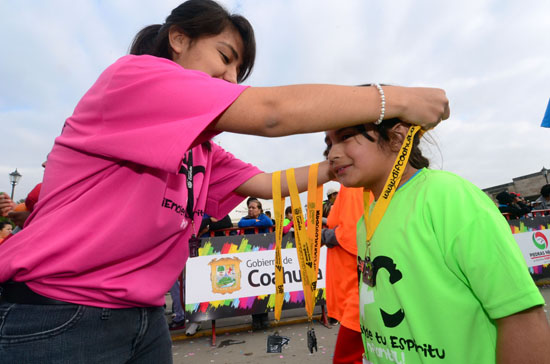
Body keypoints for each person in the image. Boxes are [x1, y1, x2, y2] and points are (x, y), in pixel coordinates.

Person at [0, 0, 449, 362]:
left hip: (143, 315)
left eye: (239, 72)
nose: (231, 78)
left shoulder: (203, 149)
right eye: (225, 57)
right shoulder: (132, 78)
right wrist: (394, 99)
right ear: (178, 39)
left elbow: (272, 183)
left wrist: (344, 161)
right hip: (58, 313)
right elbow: (272, 113)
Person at [324, 118, 550, 363]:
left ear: (396, 137)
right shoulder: (366, 217)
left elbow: (521, 317)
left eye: (345, 137)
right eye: (328, 145)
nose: (332, 154)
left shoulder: (449, 196)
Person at [323, 186, 365, 364]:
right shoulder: (351, 185)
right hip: (353, 285)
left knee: (346, 358)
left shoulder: (356, 185)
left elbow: (355, 231)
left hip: (360, 287)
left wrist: (325, 235)